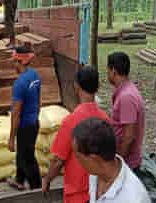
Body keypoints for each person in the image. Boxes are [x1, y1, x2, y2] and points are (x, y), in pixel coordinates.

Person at [42, 66, 110, 203]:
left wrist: (47, 179)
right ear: (97, 88)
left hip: (77, 194)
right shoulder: (105, 120)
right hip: (100, 192)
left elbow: (58, 161)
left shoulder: (71, 121)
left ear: (76, 86)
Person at [72, 117, 151, 203]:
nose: (78, 162)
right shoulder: (96, 174)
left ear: (94, 159)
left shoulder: (132, 198)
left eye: (79, 157)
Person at [7, 47, 42, 190]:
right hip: (34, 122)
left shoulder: (20, 83)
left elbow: (16, 114)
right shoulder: (35, 75)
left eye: (14, 62)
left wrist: (11, 138)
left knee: (28, 159)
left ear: (19, 62)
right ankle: (19, 180)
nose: (13, 65)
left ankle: (38, 189)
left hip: (25, 126)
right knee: (23, 153)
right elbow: (39, 102)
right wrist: (35, 117)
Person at [107, 52, 145, 173]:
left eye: (107, 70)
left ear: (113, 71)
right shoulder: (126, 91)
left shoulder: (126, 97)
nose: (107, 74)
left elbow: (129, 137)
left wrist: (118, 163)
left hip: (126, 165)